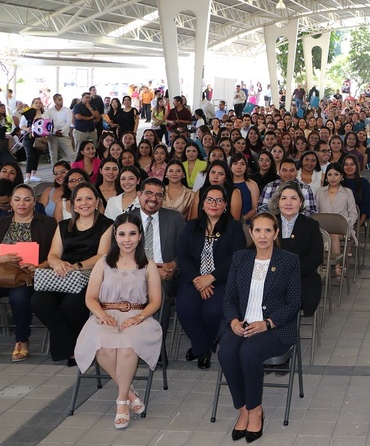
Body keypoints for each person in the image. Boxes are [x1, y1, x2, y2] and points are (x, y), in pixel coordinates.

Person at [217, 213, 302, 443]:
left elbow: (294, 303)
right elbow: (229, 298)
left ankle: (255, 411)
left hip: (274, 327)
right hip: (241, 323)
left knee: (248, 351)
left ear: (276, 233)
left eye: (267, 231)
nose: (262, 236)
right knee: (226, 351)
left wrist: (267, 323)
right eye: (257, 231)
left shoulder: (289, 260)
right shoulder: (240, 258)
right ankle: (243, 409)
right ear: (251, 233)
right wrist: (233, 321)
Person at [74, 212, 163, 429]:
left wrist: (138, 317)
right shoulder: (103, 262)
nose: (127, 239)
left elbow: (156, 301)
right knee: (103, 349)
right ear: (115, 236)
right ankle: (130, 393)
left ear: (140, 236)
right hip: (104, 316)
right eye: (122, 234)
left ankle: (121, 402)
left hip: (139, 317)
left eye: (132, 234)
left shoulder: (148, 264)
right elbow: (90, 298)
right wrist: (102, 315)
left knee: (126, 349)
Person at [31, 182, 113, 363]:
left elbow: (102, 255)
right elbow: (52, 254)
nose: (84, 203)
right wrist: (58, 263)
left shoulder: (106, 225)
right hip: (62, 275)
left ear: (97, 201)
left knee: (71, 306)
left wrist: (77, 265)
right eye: (79, 199)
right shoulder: (64, 226)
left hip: (90, 274)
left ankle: (71, 349)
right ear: (73, 204)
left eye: (89, 198)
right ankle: (75, 344)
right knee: (38, 302)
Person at [0, 184, 57, 362]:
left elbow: (55, 253)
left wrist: (40, 266)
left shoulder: (47, 223)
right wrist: (0, 258)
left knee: (18, 298)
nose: (22, 203)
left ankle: (21, 340)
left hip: (27, 275)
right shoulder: (1, 223)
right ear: (11, 203)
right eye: (17, 199)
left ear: (34, 202)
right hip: (0, 273)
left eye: (27, 199)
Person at [175, 184, 246, 369]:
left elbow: (236, 257)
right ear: (203, 204)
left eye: (219, 200)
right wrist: (198, 280)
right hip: (193, 279)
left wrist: (211, 278)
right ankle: (202, 348)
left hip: (222, 279)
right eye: (209, 200)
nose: (214, 204)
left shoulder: (234, 227)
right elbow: (182, 256)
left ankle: (202, 345)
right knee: (187, 308)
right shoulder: (191, 226)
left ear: (225, 205)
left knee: (212, 311)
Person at [269, 182, 324, 316]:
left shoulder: (311, 225)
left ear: (301, 203)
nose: (288, 202)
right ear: (278, 203)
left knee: (288, 299)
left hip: (302, 278)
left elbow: (316, 256)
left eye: (293, 198)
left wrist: (291, 273)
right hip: (271, 277)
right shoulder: (269, 223)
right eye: (284, 198)